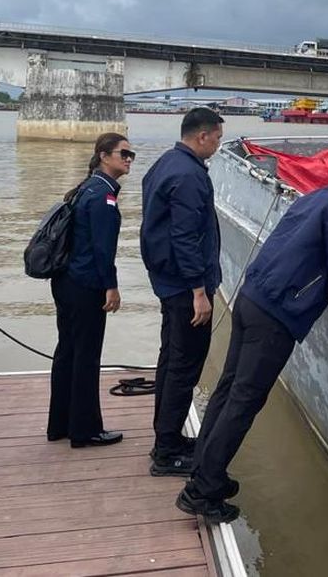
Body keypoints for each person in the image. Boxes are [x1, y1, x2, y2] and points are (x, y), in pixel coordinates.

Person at [176, 161, 328, 523]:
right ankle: (202, 492)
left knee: (229, 389)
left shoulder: (317, 197)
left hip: (252, 297)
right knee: (245, 401)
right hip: (275, 316)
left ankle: (203, 469)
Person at [141, 107, 225, 475]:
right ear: (202, 136)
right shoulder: (189, 175)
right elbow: (185, 236)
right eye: (217, 138)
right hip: (185, 287)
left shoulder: (166, 163)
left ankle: (167, 436)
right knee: (184, 366)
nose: (218, 145)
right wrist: (198, 291)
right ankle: (167, 452)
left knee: (171, 359)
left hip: (167, 281)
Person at [46, 132, 135, 447]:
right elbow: (102, 248)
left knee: (67, 352)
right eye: (123, 154)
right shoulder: (103, 196)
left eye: (131, 155)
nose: (128, 160)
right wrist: (111, 286)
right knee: (85, 356)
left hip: (66, 281)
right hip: (86, 285)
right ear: (103, 156)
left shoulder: (86, 188)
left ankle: (60, 425)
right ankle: (85, 430)